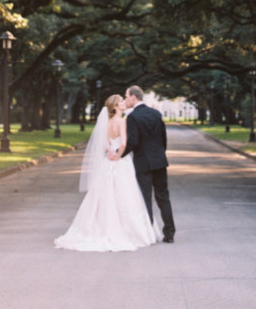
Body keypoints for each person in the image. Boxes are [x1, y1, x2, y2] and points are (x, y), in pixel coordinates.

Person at [54, 94, 159, 251]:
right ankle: (128, 231)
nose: (124, 103)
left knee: (104, 195)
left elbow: (103, 143)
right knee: (125, 194)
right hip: (120, 161)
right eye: (121, 101)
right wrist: (118, 154)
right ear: (115, 106)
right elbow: (123, 143)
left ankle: (99, 226)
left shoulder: (107, 122)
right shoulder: (121, 121)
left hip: (107, 161)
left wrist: (109, 151)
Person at [109, 85, 176, 243]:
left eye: (126, 96)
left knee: (145, 197)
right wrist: (160, 154)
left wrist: (118, 153)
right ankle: (170, 232)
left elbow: (132, 142)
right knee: (163, 196)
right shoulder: (156, 113)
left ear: (133, 97)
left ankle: (148, 232)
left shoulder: (133, 117)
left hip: (143, 163)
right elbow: (163, 138)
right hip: (159, 161)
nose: (125, 99)